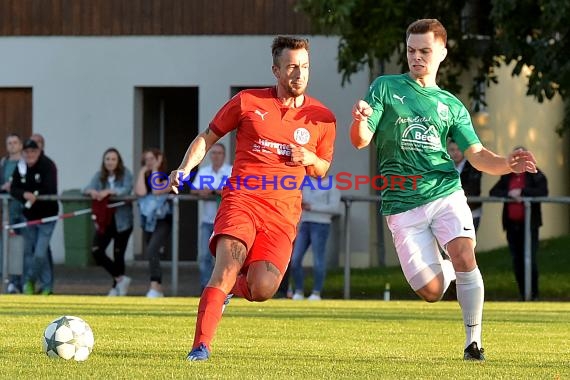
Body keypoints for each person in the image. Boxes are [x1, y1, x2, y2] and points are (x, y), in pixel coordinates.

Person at [349, 19, 537, 361]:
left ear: (442, 53)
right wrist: (360, 119)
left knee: (465, 254)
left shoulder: (451, 105)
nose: (416, 57)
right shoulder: (385, 87)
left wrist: (507, 164)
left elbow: (478, 156)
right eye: (410, 50)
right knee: (432, 291)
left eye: (424, 50)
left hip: (444, 192)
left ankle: (473, 342)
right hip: (402, 204)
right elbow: (361, 141)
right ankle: (447, 271)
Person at [169, 35, 336, 361]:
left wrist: (309, 159)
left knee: (263, 288)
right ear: (275, 70)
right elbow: (208, 136)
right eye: (291, 67)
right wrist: (185, 167)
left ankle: (228, 291)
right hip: (241, 202)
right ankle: (200, 347)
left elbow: (323, 169)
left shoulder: (322, 117)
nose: (298, 74)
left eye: (304, 67)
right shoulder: (247, 102)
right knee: (227, 267)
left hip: (283, 215)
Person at [489, 146, 548, 301]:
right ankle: (523, 294)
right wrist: (509, 194)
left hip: (529, 226)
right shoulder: (507, 175)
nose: (519, 160)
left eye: (522, 157)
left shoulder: (535, 173)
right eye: (516, 157)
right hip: (512, 226)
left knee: (530, 260)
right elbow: (493, 192)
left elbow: (543, 191)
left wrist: (522, 192)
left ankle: (534, 295)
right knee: (517, 261)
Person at [10, 139, 59, 295]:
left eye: (33, 152)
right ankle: (44, 286)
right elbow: (14, 188)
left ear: (38, 152)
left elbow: (49, 187)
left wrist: (34, 193)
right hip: (29, 216)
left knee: (40, 253)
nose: (30, 155)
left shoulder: (47, 165)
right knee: (29, 254)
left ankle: (30, 280)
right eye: (27, 152)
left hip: (47, 217)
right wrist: (24, 194)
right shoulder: (21, 167)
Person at [84, 148, 134, 296]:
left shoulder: (126, 173)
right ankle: (120, 279)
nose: (110, 162)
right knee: (97, 251)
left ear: (118, 161)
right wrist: (91, 192)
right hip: (105, 221)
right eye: (107, 159)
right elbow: (86, 188)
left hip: (122, 221)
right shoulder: (100, 175)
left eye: (113, 159)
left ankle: (116, 287)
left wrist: (110, 191)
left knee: (118, 254)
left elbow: (126, 189)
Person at [291, 176, 341, 301]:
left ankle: (316, 292)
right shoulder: (306, 182)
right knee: (295, 259)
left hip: (321, 224)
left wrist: (312, 207)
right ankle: (298, 291)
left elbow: (334, 208)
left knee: (318, 259)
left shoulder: (331, 183)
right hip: (305, 223)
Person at [191, 143, 232, 291]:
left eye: (219, 153)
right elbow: (193, 190)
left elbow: (237, 190)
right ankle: (205, 288)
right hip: (207, 221)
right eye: (213, 153)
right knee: (204, 257)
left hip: (226, 222)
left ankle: (225, 289)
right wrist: (203, 191)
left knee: (225, 258)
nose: (216, 156)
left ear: (224, 155)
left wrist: (220, 191)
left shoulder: (231, 170)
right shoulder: (204, 171)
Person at [134, 148, 172, 298]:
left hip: (163, 220)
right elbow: (141, 192)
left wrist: (156, 168)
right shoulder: (145, 175)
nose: (149, 162)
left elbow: (157, 189)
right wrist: (141, 172)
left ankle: (155, 285)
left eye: (152, 159)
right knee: (151, 253)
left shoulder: (167, 176)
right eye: (146, 159)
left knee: (151, 250)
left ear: (159, 159)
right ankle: (158, 288)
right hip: (148, 220)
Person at [0, 133, 25, 293]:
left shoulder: (25, 163)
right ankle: (10, 282)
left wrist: (15, 187)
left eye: (15, 142)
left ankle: (22, 282)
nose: (12, 145)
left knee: (24, 248)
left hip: (23, 211)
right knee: (8, 248)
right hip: (7, 212)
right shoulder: (3, 163)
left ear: (20, 145)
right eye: (9, 143)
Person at [447, 138, 483, 231]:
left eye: (458, 149)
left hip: (471, 211)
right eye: (452, 150)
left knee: (468, 243)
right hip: (451, 212)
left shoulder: (473, 165)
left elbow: (472, 188)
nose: (455, 153)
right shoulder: (446, 166)